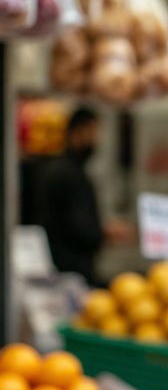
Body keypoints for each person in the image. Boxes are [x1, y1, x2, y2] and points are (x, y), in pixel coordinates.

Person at [32, 108, 103, 284]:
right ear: (77, 131)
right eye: (93, 131)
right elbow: (79, 226)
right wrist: (100, 234)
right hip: (70, 268)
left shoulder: (58, 169)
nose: (97, 139)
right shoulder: (69, 173)